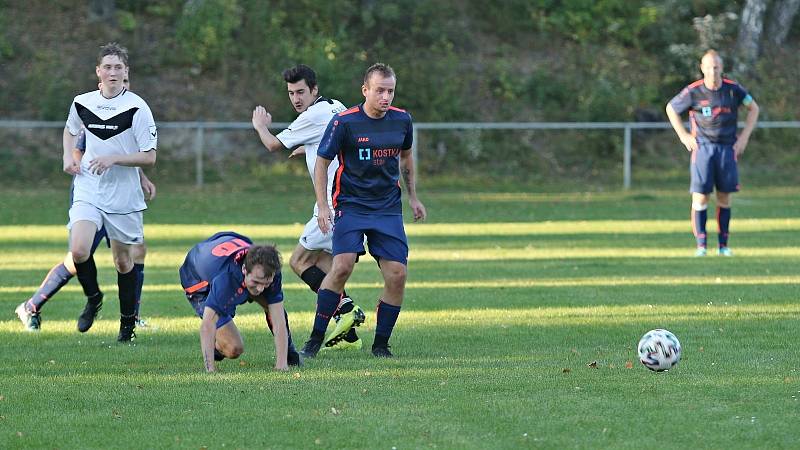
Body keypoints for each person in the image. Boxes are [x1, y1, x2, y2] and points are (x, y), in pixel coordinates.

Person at [300, 63, 426, 358]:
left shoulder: (402, 121)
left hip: (387, 209)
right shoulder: (344, 122)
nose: (386, 97)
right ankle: (315, 340)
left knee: (397, 275)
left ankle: (381, 345)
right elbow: (321, 162)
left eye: (390, 91)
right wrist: (323, 205)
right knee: (341, 266)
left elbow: (406, 158)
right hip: (351, 206)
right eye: (380, 90)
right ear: (365, 90)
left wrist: (414, 198)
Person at [15, 76, 153, 332]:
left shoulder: (132, 111)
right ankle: (32, 305)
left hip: (122, 195)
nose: (122, 83)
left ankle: (131, 317)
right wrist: (74, 161)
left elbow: (132, 154)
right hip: (94, 191)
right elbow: (80, 147)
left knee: (133, 253)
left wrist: (142, 178)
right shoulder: (96, 112)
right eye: (113, 74)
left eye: (125, 78)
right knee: (78, 256)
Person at [251, 64, 365, 350]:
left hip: (331, 204)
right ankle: (348, 336)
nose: (296, 98)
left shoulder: (311, 117)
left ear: (314, 90)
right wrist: (309, 147)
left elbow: (273, 145)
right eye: (291, 93)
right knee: (326, 263)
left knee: (298, 261)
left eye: (301, 91)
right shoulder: (334, 105)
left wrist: (260, 126)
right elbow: (340, 137)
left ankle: (346, 309)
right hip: (352, 202)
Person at [62, 42, 157, 342]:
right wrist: (68, 157)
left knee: (123, 262)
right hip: (89, 187)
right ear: (98, 72)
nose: (113, 72)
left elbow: (150, 156)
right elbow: (69, 129)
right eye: (108, 67)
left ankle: (126, 326)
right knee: (78, 250)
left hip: (124, 195)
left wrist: (115, 158)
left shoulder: (138, 108)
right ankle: (93, 298)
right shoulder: (82, 102)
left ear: (126, 71)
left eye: (118, 67)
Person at [666, 49, 759, 257]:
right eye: (708, 67)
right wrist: (683, 135)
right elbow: (671, 108)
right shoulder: (694, 91)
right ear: (702, 68)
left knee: (724, 197)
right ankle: (701, 246)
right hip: (702, 149)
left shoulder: (734, 90)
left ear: (721, 68)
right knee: (700, 198)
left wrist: (743, 137)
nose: (713, 71)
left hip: (727, 149)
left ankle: (723, 246)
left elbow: (754, 108)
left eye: (716, 67)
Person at [179, 231, 300, 372]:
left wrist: (281, 365)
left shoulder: (270, 270)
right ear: (244, 270)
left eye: (266, 283)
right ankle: (216, 346)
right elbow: (207, 325)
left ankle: (289, 354)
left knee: (272, 306)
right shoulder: (227, 279)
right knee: (234, 348)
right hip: (197, 279)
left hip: (225, 244)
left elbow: (279, 319)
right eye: (256, 282)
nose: (261, 289)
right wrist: (210, 370)